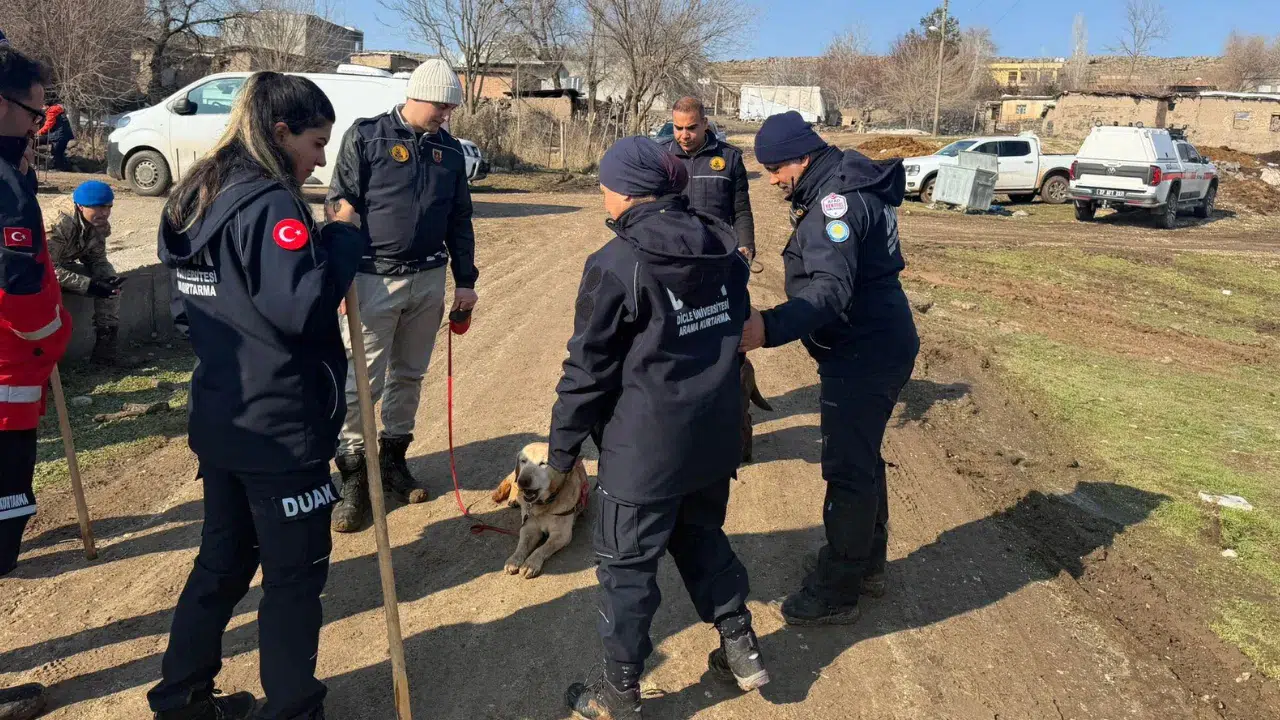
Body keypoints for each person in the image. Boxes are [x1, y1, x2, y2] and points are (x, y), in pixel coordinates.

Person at [148, 71, 364, 720]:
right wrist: (342, 238)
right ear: (280, 133)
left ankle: (181, 697)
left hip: (224, 415)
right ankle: (294, 711)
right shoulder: (270, 205)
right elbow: (301, 306)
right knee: (294, 582)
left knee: (222, 563)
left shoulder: (196, 193)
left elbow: (190, 315)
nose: (321, 158)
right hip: (280, 431)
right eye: (316, 142)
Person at [548, 137, 767, 719]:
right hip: (713, 434)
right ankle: (741, 645)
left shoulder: (616, 264)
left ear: (624, 190)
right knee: (699, 534)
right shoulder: (722, 247)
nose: (603, 194)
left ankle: (619, 693)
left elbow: (587, 370)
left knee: (626, 568)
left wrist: (561, 450)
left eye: (604, 184)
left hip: (645, 449)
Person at [740, 111, 919, 626]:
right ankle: (867, 566)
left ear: (801, 156)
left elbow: (829, 290)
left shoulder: (833, 205)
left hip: (863, 353)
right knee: (861, 460)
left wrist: (767, 328)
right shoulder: (851, 183)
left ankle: (839, 589)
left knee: (846, 469)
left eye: (776, 167)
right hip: (877, 340)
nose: (773, 178)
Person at [324, 58, 479, 532]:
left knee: (409, 375)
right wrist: (335, 273)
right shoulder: (367, 136)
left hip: (428, 279)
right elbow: (341, 205)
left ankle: (392, 460)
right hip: (373, 278)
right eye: (440, 106)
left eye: (451, 109)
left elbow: (459, 219)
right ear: (416, 95)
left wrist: (466, 280)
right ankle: (354, 475)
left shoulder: (450, 152)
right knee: (361, 382)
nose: (445, 116)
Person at [0, 45, 73, 720]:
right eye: (33, 109)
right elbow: (21, 294)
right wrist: (55, 337)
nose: (39, 125)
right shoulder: (4, 184)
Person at [47, 180, 136, 365]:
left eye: (108, 207)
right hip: (33, 273)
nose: (105, 213)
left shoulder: (98, 222)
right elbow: (47, 269)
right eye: (98, 207)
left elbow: (96, 258)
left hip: (60, 267)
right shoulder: (57, 224)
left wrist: (108, 279)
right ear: (80, 206)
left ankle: (106, 353)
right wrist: (90, 285)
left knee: (111, 289)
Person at [661, 96, 755, 260]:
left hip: (717, 251)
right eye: (678, 128)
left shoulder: (730, 157)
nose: (684, 135)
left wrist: (746, 244)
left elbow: (741, 209)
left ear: (704, 124)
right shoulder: (660, 156)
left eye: (691, 128)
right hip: (672, 251)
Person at [33, 97, 72, 171]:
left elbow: (49, 125)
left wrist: (38, 133)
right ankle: (65, 167)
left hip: (59, 135)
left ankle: (58, 168)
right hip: (63, 135)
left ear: (47, 106)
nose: (42, 108)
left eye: (43, 106)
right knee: (59, 152)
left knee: (56, 152)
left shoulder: (52, 111)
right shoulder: (57, 110)